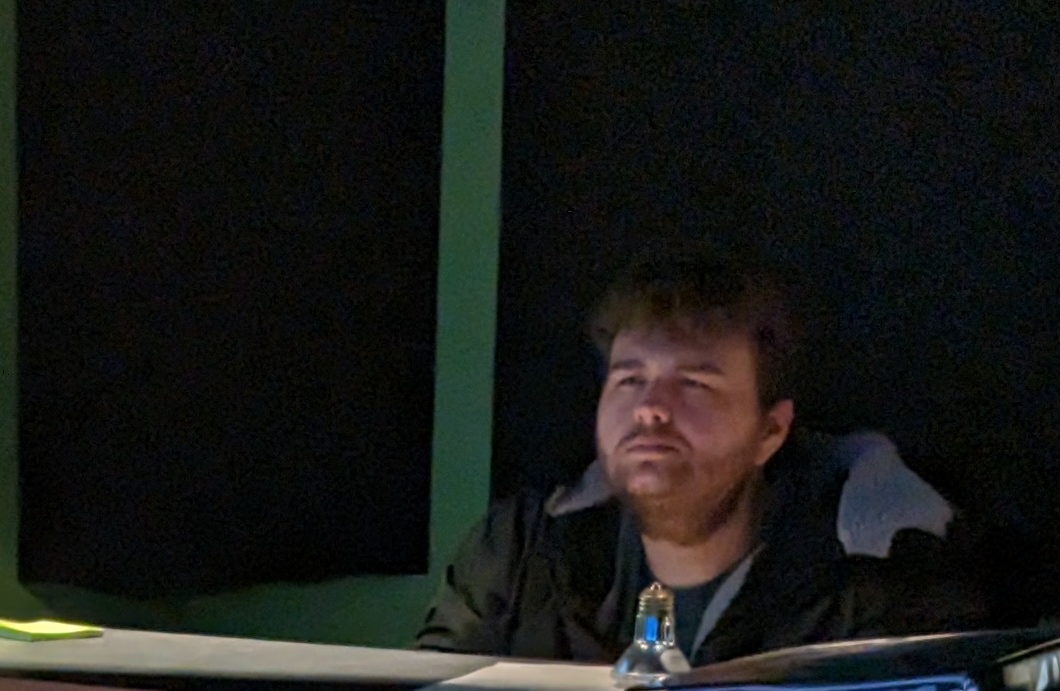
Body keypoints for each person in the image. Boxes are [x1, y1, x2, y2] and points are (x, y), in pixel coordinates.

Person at [420, 255, 982, 665]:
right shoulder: (520, 554)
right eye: (630, 379)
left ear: (770, 431)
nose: (650, 412)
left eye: (692, 384)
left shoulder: (879, 578)